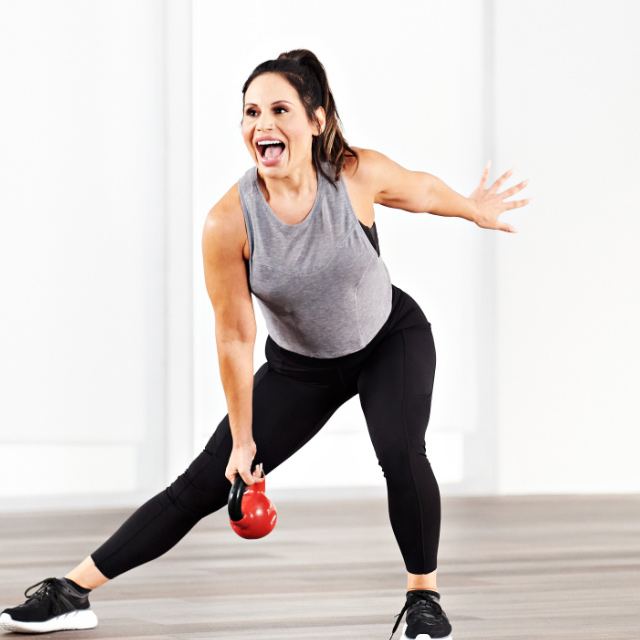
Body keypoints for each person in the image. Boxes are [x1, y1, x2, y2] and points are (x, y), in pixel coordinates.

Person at [0, 49, 531, 640]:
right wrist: (244, 441)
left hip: (389, 338)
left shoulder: (354, 174)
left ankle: (423, 599)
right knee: (203, 482)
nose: (262, 124)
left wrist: (473, 209)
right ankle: (70, 591)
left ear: (317, 120)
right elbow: (234, 333)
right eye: (251, 112)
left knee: (402, 452)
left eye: (280, 109)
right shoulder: (229, 221)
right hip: (300, 368)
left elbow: (424, 191)